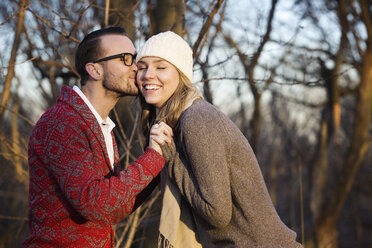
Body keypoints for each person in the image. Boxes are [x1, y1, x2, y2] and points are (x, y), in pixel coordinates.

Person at [136, 31, 304, 248]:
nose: (148, 75)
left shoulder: (198, 119)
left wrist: (172, 157)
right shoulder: (176, 123)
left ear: (180, 74)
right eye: (141, 67)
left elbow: (217, 213)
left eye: (161, 67)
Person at [22, 27, 173, 248]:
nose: (137, 67)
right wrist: (152, 157)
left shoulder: (100, 126)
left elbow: (114, 207)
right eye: (126, 59)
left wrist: (159, 169)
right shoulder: (62, 122)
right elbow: (94, 203)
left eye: (136, 58)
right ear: (94, 70)